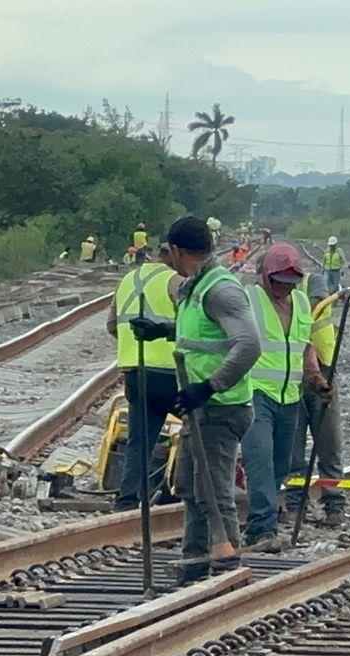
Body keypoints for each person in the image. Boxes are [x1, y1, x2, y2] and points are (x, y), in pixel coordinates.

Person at [129, 216, 260, 584]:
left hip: (222, 405)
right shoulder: (197, 286)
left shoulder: (221, 289)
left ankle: (225, 564)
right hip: (201, 406)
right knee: (189, 484)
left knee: (214, 490)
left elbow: (248, 344)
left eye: (170, 254)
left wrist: (209, 386)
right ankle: (196, 561)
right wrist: (163, 331)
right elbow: (205, 333)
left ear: (179, 251)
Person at [239, 243, 324, 551]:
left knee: (282, 463)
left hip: (290, 396)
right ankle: (263, 527)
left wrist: (315, 377)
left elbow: (305, 344)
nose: (285, 289)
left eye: (291, 283)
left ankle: (262, 520)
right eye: (279, 282)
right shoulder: (249, 300)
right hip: (255, 392)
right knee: (258, 457)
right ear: (265, 276)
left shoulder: (301, 303)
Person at [106, 242, 180, 511]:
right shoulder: (175, 281)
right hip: (171, 371)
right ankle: (184, 491)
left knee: (140, 439)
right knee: (200, 428)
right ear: (173, 255)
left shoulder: (127, 279)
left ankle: (127, 500)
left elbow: (112, 325)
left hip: (135, 372)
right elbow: (194, 324)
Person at [284, 274, 346, 528]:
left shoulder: (313, 282)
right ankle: (295, 504)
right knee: (293, 449)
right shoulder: (269, 296)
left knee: (328, 444)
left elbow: (317, 303)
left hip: (323, 372)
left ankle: (334, 504)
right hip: (290, 377)